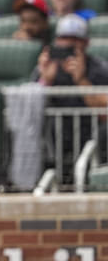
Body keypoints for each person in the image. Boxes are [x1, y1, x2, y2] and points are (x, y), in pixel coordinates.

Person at [32, 13, 108, 180]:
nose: (67, 44)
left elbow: (105, 113)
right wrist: (46, 80)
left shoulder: (99, 68)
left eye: (74, 40)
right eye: (63, 39)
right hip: (53, 139)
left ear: (85, 43)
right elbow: (30, 112)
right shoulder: (46, 67)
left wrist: (80, 79)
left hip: (92, 137)